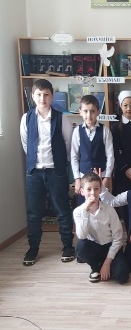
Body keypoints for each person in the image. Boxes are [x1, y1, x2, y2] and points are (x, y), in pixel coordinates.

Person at [20, 79, 75, 266]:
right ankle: (33, 248)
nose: (42, 98)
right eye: (38, 94)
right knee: (34, 213)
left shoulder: (61, 118)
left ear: (52, 96)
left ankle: (67, 246)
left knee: (62, 210)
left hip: (56, 171)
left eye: (46, 95)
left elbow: (68, 144)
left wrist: (58, 163)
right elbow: (26, 144)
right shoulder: (26, 118)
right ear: (32, 96)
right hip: (34, 172)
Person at [74, 172, 129, 284]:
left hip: (110, 246)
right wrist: (86, 211)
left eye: (96, 189)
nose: (93, 193)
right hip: (94, 246)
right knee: (81, 246)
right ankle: (95, 267)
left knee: (122, 277)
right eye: (89, 189)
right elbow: (82, 236)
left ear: (100, 190)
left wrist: (107, 263)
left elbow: (118, 238)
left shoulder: (110, 210)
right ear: (82, 191)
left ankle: (105, 264)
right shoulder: (78, 211)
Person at [71, 94, 114, 200]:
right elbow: (74, 156)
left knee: (102, 205)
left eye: (92, 111)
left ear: (98, 112)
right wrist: (77, 178)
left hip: (101, 177)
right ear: (80, 112)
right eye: (85, 111)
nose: (89, 115)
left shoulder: (105, 131)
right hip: (83, 178)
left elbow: (110, 156)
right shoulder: (77, 131)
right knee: (85, 206)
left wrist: (107, 176)